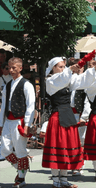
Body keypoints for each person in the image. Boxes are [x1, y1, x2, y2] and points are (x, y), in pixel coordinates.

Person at [42, 57, 96, 188]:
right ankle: (56, 181)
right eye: (59, 67)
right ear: (53, 68)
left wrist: (93, 68)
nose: (62, 69)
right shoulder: (50, 80)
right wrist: (70, 69)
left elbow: (83, 82)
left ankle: (64, 180)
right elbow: (61, 79)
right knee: (57, 150)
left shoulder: (66, 79)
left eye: (63, 66)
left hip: (68, 116)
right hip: (57, 117)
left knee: (66, 149)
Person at [0, 57, 35, 187]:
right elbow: (3, 105)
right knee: (4, 149)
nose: (11, 70)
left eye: (14, 67)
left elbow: (31, 106)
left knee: (20, 150)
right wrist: (0, 123)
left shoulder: (27, 84)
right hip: (8, 120)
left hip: (19, 121)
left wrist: (27, 124)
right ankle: (22, 166)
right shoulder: (8, 84)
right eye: (9, 67)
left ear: (20, 68)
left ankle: (21, 177)